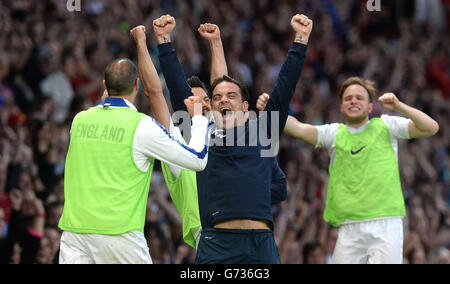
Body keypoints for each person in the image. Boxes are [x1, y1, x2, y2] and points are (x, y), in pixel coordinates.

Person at [153, 14, 312, 263]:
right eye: (216, 97)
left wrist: (300, 41)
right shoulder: (202, 133)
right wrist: (164, 41)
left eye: (231, 95)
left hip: (261, 243)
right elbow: (178, 90)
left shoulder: (263, 129)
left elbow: (285, 87)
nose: (223, 99)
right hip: (217, 244)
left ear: (245, 105)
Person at [57, 26, 211, 264]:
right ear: (137, 86)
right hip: (119, 235)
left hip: (74, 235)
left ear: (104, 86)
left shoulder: (79, 120)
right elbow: (199, 159)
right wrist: (199, 118)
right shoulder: (142, 126)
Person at [258, 77, 440, 264]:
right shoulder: (333, 133)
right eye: (348, 98)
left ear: (370, 107)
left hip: (386, 224)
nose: (353, 101)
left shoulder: (386, 126)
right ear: (341, 107)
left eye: (359, 98)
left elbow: (430, 127)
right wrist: (272, 110)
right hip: (349, 228)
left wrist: (399, 106)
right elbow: (299, 128)